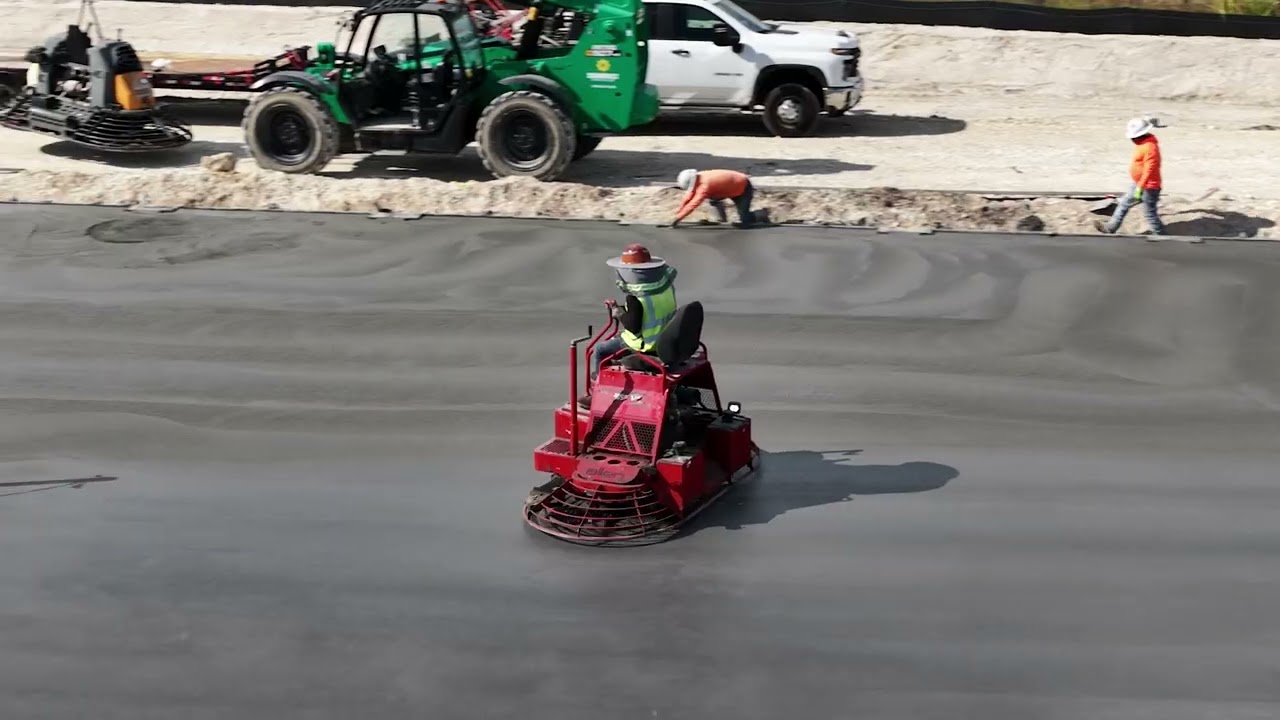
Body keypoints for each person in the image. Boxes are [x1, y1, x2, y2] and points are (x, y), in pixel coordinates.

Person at [581, 243, 678, 407]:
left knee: (600, 350)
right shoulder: (666, 288)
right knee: (617, 340)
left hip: (646, 346)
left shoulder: (635, 297)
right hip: (665, 339)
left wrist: (617, 311)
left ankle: (596, 395)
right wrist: (620, 309)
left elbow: (632, 326)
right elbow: (647, 314)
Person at [1096, 117, 1167, 236]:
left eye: (1133, 137)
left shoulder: (1150, 147)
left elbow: (1150, 169)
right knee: (1124, 203)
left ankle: (1161, 235)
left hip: (1149, 187)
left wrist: (1140, 187)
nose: (1132, 140)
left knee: (1150, 214)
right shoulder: (1143, 144)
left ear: (1141, 135)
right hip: (1139, 184)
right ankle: (1111, 227)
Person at [672, 169, 765, 228]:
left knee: (744, 219)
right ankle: (722, 220)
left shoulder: (705, 185)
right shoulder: (698, 176)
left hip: (743, 187)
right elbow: (689, 196)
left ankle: (760, 216)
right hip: (727, 187)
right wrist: (678, 213)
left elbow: (694, 203)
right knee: (713, 199)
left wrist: (678, 218)